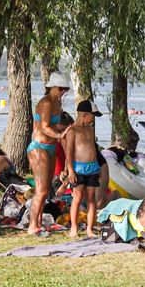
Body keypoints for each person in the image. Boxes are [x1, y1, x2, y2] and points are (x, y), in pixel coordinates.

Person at [25, 73, 71, 236]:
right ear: (52, 87)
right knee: (42, 190)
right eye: (61, 89)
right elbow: (44, 127)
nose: (63, 92)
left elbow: (54, 124)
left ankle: (38, 222)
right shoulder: (45, 103)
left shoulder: (57, 103)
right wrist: (60, 135)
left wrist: (68, 130)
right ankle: (32, 225)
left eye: (65, 89)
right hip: (39, 147)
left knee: (46, 189)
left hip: (50, 147)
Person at [61, 99, 103, 237]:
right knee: (77, 197)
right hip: (79, 168)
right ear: (85, 114)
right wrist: (70, 171)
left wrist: (99, 167)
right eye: (93, 116)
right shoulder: (72, 130)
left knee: (91, 197)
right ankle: (74, 228)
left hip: (93, 168)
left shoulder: (90, 129)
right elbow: (69, 152)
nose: (93, 119)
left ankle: (90, 229)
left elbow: (93, 149)